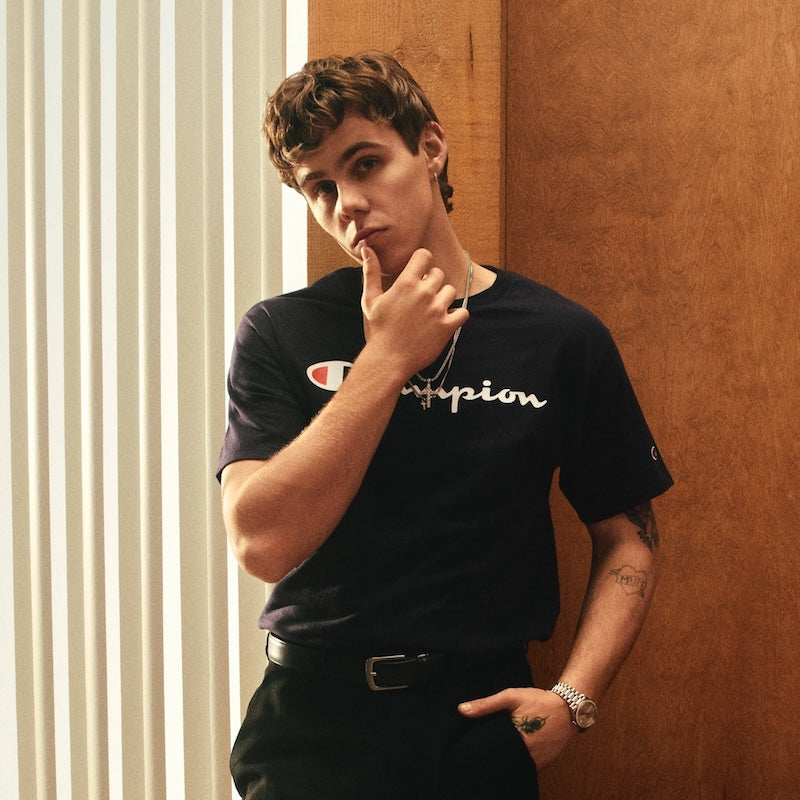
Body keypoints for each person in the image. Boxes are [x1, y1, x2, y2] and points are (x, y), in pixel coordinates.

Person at [218, 51, 673, 799]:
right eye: (320, 187)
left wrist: (574, 699)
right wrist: (387, 359)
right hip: (312, 725)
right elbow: (262, 541)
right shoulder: (279, 332)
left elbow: (629, 535)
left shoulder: (559, 335)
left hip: (478, 719)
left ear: (430, 148)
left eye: (367, 163)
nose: (348, 202)